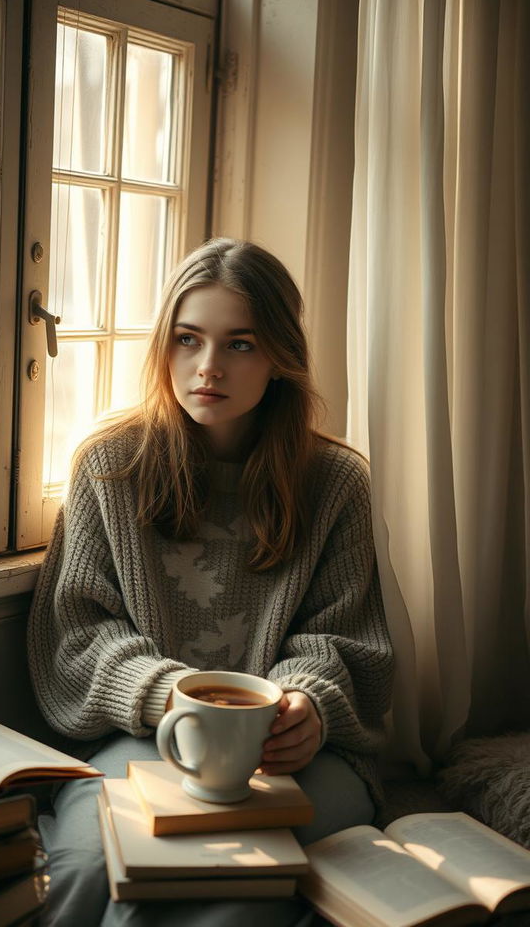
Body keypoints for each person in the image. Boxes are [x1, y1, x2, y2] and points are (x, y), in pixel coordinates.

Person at [27, 238, 394, 927]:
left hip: (297, 759)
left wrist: (306, 705)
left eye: (241, 345)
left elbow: (347, 638)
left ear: (281, 356)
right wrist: (172, 695)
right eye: (187, 340)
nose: (207, 368)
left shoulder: (337, 483)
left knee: (235, 897)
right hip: (143, 740)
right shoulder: (109, 466)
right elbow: (75, 635)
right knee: (84, 873)